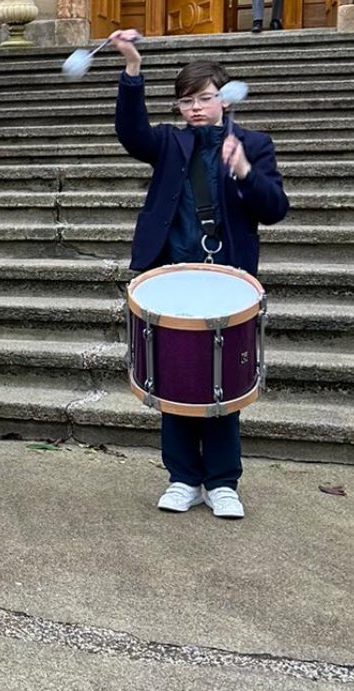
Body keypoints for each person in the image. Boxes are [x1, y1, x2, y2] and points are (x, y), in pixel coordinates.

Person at [109, 29, 289, 519]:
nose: (194, 108)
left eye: (204, 98)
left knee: (223, 381)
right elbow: (131, 134)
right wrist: (131, 69)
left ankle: (224, 482)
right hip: (170, 275)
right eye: (186, 101)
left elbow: (276, 210)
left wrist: (248, 172)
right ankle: (183, 477)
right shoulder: (169, 142)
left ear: (224, 99)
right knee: (176, 377)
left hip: (228, 279)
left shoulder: (253, 143)